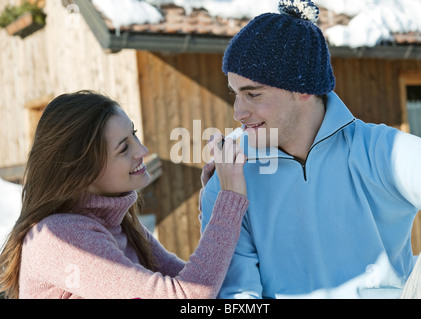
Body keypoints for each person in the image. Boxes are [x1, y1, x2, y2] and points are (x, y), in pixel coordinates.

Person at [200, 0, 421, 299]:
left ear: (303, 89)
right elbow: (236, 296)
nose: (238, 113)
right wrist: (225, 201)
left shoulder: (379, 151)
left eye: (252, 94)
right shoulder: (230, 179)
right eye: (236, 94)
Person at [0, 90, 248, 299]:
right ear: (83, 170)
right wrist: (229, 200)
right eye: (123, 147)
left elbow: (203, 284)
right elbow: (188, 295)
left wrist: (216, 201)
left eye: (134, 134)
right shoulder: (60, 236)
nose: (142, 150)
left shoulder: (121, 227)